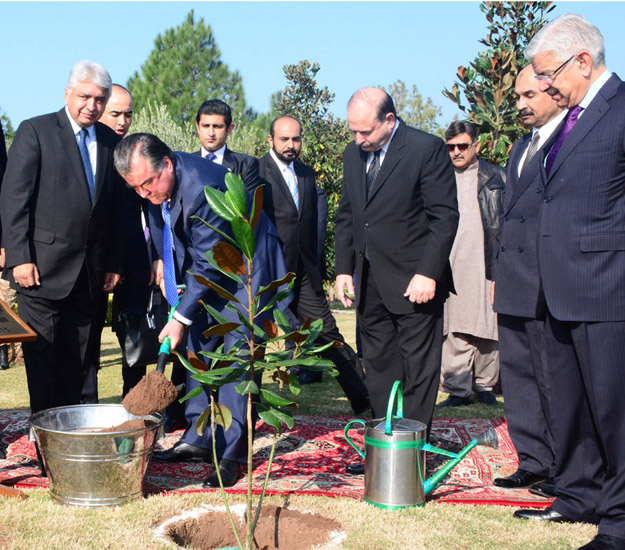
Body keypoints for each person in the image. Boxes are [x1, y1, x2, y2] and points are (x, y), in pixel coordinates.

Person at [113, 133, 288, 488]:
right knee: (198, 350)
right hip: (205, 267)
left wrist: (178, 317)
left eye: (147, 184)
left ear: (165, 164)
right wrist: (166, 262)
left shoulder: (203, 189)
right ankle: (197, 437)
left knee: (236, 358)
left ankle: (231, 455)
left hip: (247, 271)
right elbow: (162, 220)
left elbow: (211, 264)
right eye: (136, 188)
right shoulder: (153, 185)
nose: (144, 194)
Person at [511, 14, 625, 550]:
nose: (546, 85)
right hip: (556, 290)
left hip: (607, 290)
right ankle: (580, 494)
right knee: (572, 405)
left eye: (548, 73)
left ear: (583, 60)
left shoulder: (619, 111)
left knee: (613, 409)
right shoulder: (569, 121)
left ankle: (619, 521)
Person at [335, 87, 458, 474]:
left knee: (420, 372)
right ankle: (381, 447)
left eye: (365, 132)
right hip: (370, 280)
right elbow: (348, 216)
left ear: (389, 120)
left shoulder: (426, 149)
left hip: (415, 281)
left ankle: (411, 457)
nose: (359, 140)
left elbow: (444, 218)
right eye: (353, 132)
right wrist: (342, 268)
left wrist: (428, 272)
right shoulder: (353, 155)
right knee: (378, 364)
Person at [0, 60, 123, 414]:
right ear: (67, 92)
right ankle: (46, 443)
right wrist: (20, 256)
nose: (92, 105)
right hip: (40, 272)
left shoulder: (110, 142)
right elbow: (14, 199)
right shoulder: (35, 131)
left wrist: (113, 262)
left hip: (90, 276)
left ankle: (77, 438)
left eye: (101, 99)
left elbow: (114, 211)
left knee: (83, 363)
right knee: (43, 361)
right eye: (85, 96)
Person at [259, 116, 370, 411]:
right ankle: (248, 412)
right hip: (267, 274)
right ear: (270, 140)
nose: (291, 145)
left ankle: (366, 401)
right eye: (284, 139)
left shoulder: (307, 175)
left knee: (330, 335)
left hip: (304, 273)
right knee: (254, 341)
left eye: (296, 139)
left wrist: (319, 268)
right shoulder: (256, 172)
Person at [492, 65, 565, 497]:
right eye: (516, 97)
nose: (519, 104)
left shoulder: (569, 140)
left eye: (527, 96)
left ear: (554, 93)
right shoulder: (521, 146)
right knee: (517, 376)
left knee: (551, 378)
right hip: (514, 282)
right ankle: (533, 461)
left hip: (549, 282)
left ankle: (562, 466)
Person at [438, 121, 504, 408]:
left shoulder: (497, 177)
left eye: (462, 146)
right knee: (453, 327)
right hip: (451, 262)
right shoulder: (438, 176)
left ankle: (486, 385)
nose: (456, 152)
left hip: (486, 261)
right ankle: (457, 389)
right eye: (450, 147)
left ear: (477, 145)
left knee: (489, 325)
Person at [194, 99, 260, 195]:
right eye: (206, 126)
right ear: (198, 127)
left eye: (217, 126)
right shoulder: (184, 163)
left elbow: (249, 205)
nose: (211, 133)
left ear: (229, 129)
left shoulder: (245, 165)